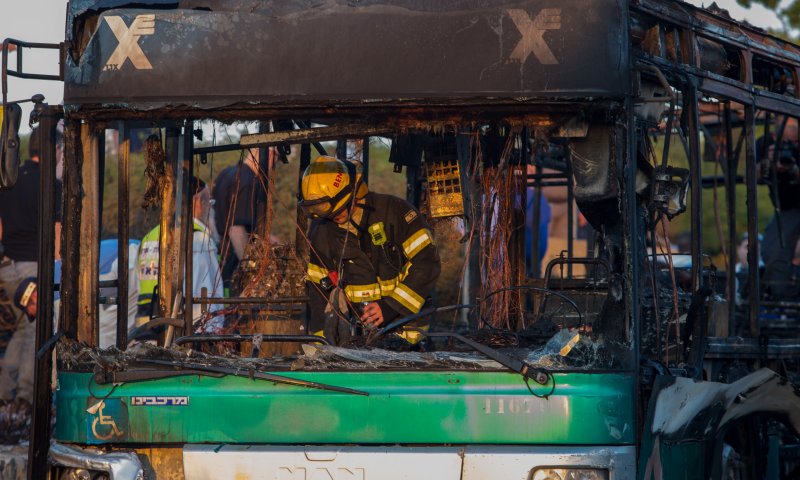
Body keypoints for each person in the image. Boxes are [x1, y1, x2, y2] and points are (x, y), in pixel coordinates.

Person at [300, 156, 441, 344]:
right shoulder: (322, 231)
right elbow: (318, 289)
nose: (333, 217)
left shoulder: (395, 212)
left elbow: (427, 263)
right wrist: (321, 342)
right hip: (358, 339)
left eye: (338, 210)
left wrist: (390, 307)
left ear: (353, 194)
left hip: (407, 331)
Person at [136, 176, 223, 331]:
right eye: (210, 202)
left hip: (147, 328)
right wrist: (211, 333)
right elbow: (205, 295)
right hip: (180, 331)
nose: (212, 209)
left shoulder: (150, 237)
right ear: (198, 202)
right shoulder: (199, 240)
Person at [212, 148, 268, 291]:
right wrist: (251, 273)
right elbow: (236, 229)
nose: (275, 164)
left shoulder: (226, 174)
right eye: (276, 156)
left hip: (220, 264)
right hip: (235, 271)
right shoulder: (249, 181)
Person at [0, 277, 37, 405]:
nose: (31, 313)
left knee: (24, 332)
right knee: (33, 333)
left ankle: (6, 393)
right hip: (26, 267)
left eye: (29, 309)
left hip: (8, 271)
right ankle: (25, 396)